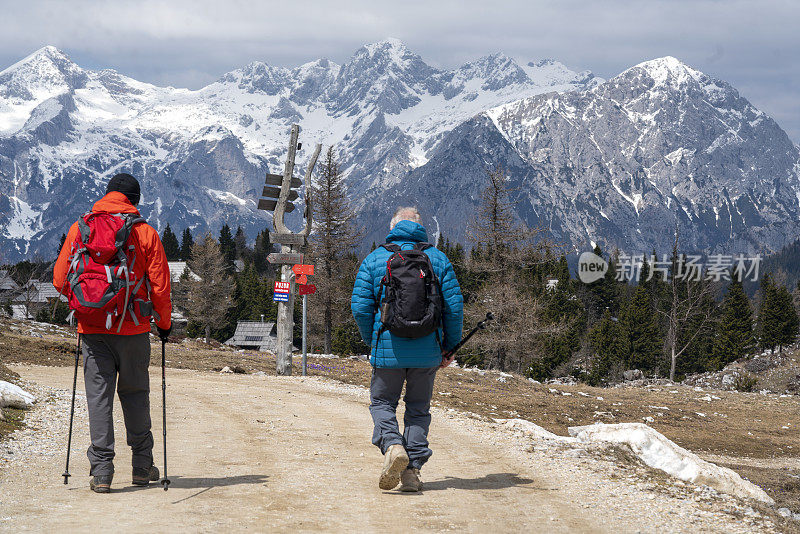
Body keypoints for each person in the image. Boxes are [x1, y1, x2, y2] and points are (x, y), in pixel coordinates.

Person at [53, 173, 172, 493]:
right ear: (134, 200)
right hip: (133, 329)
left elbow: (60, 278)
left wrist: (87, 305)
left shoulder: (82, 229)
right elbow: (160, 287)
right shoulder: (145, 233)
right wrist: (163, 324)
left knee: (99, 397)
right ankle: (142, 466)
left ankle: (102, 471)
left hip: (92, 330)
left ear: (107, 195)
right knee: (135, 394)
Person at [351, 207, 463, 492]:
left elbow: (361, 307)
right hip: (428, 351)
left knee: (382, 403)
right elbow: (454, 309)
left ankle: (392, 446)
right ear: (420, 228)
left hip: (388, 349)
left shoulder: (376, 259)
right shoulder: (437, 259)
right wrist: (449, 348)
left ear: (392, 227)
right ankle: (412, 472)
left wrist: (371, 339)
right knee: (418, 410)